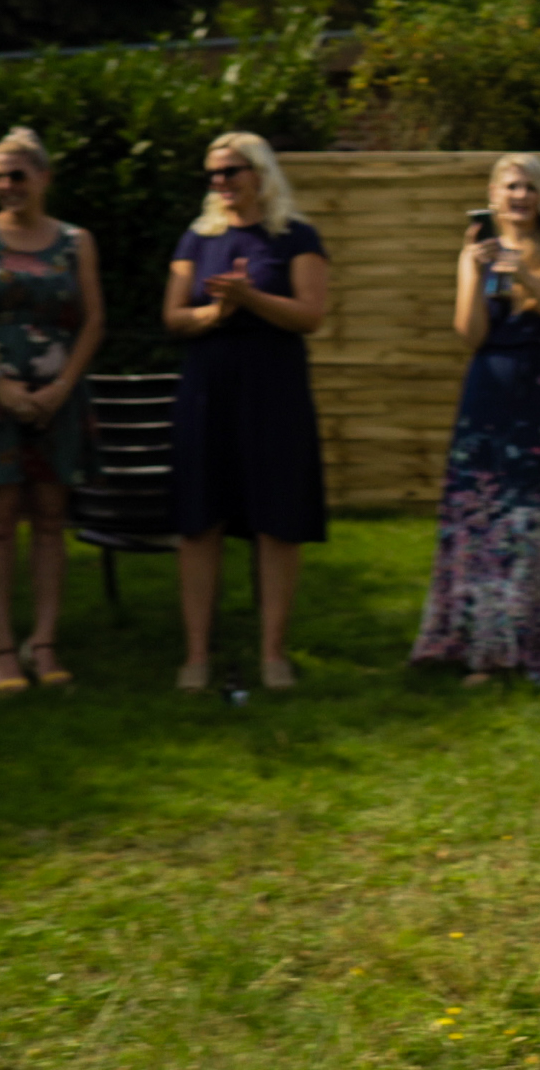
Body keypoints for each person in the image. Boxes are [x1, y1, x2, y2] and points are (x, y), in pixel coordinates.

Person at [411, 153, 540, 688]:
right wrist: (471, 267)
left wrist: (531, 283)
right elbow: (469, 333)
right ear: (493, 196)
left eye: (530, 187)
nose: (520, 196)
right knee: (486, 523)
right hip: (488, 396)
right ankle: (487, 652)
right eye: (511, 187)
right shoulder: (476, 252)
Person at [0, 127, 103, 694]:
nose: (6, 186)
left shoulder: (76, 241)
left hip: (57, 394)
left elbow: (94, 321)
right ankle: (2, 644)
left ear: (44, 177)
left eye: (17, 175)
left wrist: (63, 386)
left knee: (53, 520)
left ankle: (46, 640)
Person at [163, 132, 328, 693]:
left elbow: (311, 314)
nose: (221, 183)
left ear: (259, 174)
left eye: (231, 172)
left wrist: (250, 299)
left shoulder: (295, 237)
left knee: (277, 521)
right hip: (209, 391)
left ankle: (273, 653)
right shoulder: (197, 238)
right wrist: (216, 312)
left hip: (274, 392)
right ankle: (196, 655)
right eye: (213, 174)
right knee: (199, 520)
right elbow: (174, 317)